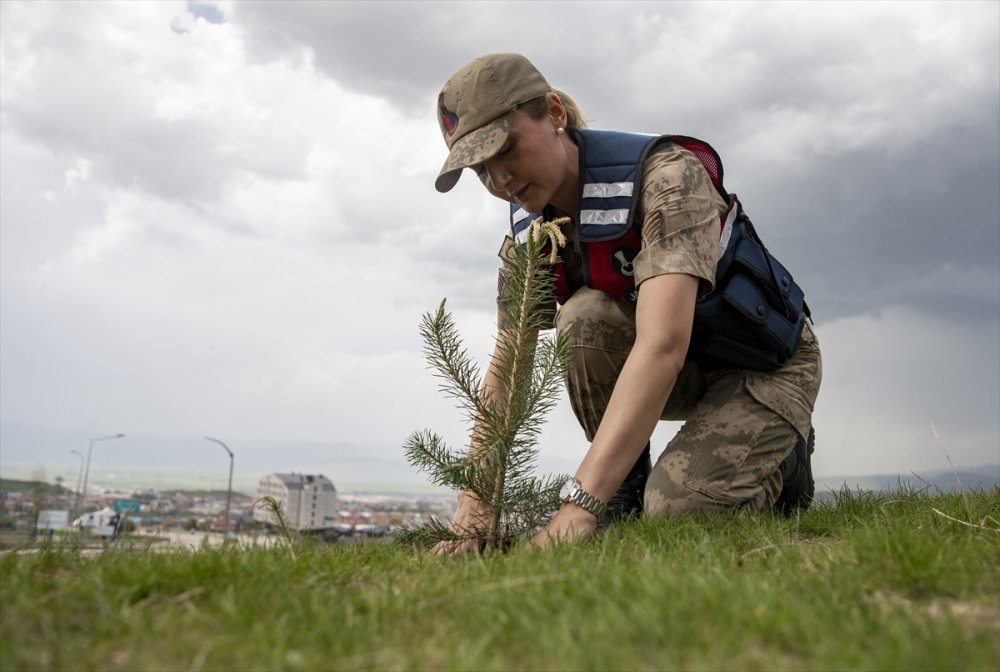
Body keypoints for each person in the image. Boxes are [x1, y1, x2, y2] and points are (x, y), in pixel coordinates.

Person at [433, 53, 822, 552]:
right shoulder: (531, 238)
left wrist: (577, 506)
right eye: (480, 169)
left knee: (679, 512)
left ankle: (784, 458)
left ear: (554, 113)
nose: (499, 180)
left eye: (505, 150)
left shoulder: (666, 178)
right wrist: (475, 511)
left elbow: (663, 345)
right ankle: (620, 492)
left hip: (764, 365)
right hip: (687, 369)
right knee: (583, 317)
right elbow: (507, 371)